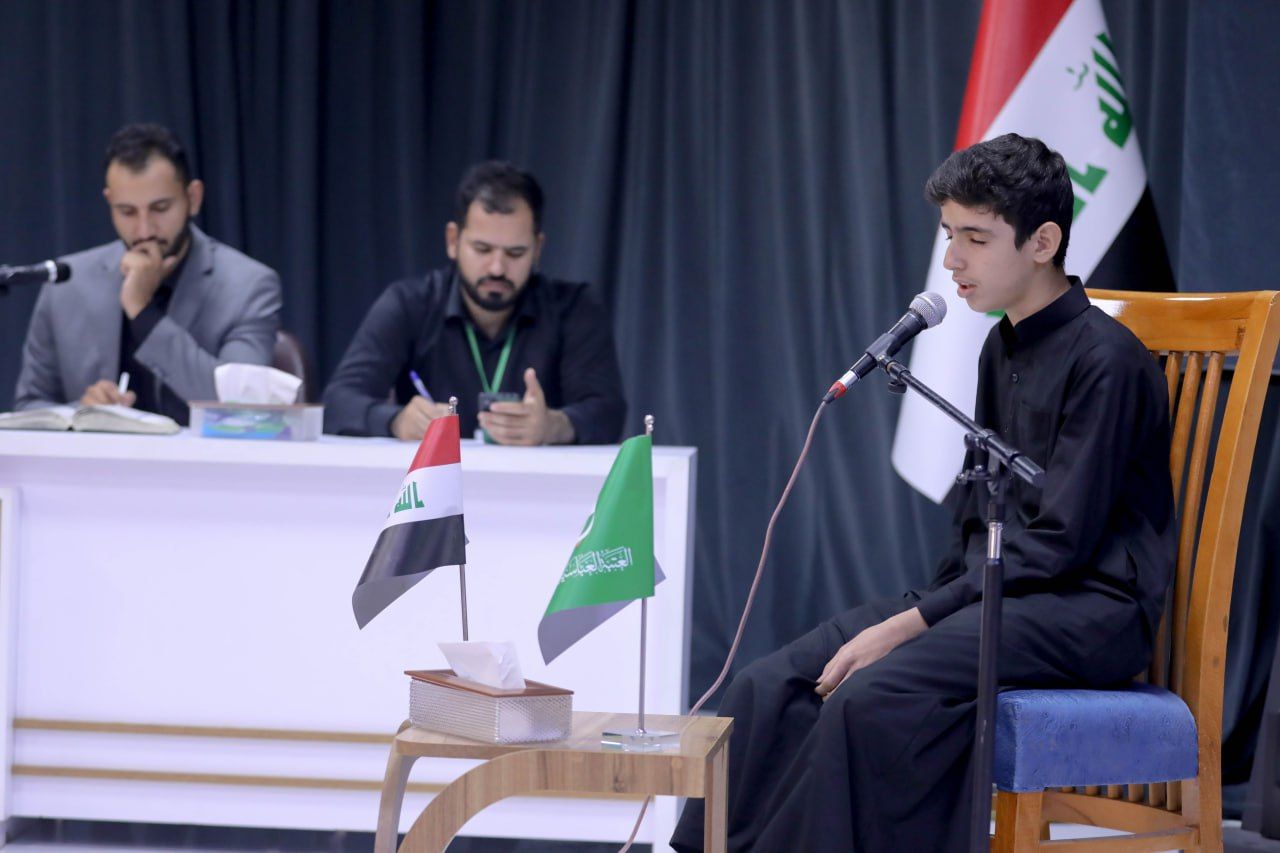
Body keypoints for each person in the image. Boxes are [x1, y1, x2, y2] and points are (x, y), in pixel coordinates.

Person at [671, 133, 1176, 852]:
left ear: (1043, 242)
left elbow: (1062, 542)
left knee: (873, 695)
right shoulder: (1001, 344)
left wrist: (914, 622)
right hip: (1003, 595)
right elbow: (978, 515)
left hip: (1088, 607)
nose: (951, 261)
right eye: (949, 235)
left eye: (975, 238)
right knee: (771, 682)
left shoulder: (1108, 362)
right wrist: (927, 605)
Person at [323, 161, 626, 445]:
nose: (497, 268)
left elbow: (609, 411)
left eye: (515, 253)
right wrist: (396, 420)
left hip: (535, 479)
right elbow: (338, 401)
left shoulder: (573, 309)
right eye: (482, 249)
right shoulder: (410, 304)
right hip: (436, 478)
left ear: (538, 248)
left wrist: (555, 425)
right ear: (453, 241)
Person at [13, 123, 282, 424]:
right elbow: (28, 407)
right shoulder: (68, 282)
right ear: (109, 203)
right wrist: (84, 411)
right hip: (96, 456)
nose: (144, 231)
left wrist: (143, 312)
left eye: (160, 208)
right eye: (127, 212)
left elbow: (240, 407)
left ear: (193, 198)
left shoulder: (248, 286)